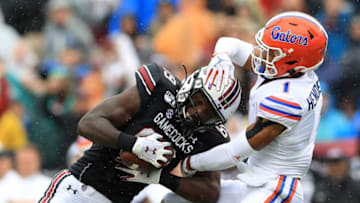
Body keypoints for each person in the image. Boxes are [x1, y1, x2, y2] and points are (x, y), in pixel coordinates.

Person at [174, 11, 328, 203]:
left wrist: (189, 163)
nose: (262, 53)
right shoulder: (287, 70)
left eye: (272, 52)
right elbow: (230, 44)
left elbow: (235, 152)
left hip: (279, 188)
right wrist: (220, 60)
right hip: (255, 180)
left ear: (293, 62)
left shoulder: (290, 100)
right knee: (174, 199)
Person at [38, 63, 241, 202]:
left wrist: (161, 178)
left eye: (209, 113)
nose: (198, 112)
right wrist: (135, 144)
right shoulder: (159, 89)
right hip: (79, 189)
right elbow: (88, 123)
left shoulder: (210, 137)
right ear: (192, 86)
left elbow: (211, 191)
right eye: (199, 101)